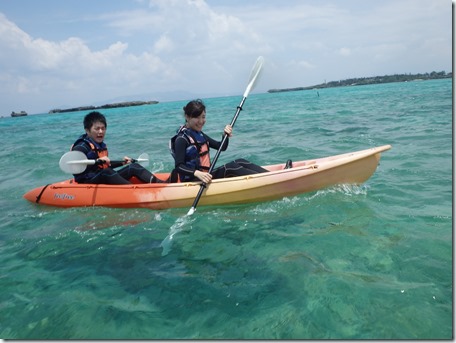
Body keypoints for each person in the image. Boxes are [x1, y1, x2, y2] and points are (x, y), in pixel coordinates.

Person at [170, 99, 269, 184]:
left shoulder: (198, 134)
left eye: (203, 117)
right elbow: (179, 166)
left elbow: (221, 147)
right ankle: (266, 181)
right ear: (187, 117)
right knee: (230, 168)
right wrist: (197, 173)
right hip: (193, 180)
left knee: (240, 161)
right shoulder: (181, 139)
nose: (201, 121)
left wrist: (225, 136)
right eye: (197, 117)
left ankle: (269, 175)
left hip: (205, 176)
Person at [71, 111, 166, 184]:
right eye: (97, 129)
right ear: (87, 130)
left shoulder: (100, 145)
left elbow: (104, 165)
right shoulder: (82, 146)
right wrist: (97, 161)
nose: (101, 132)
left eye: (103, 128)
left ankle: (161, 184)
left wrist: (122, 163)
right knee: (107, 172)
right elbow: (74, 163)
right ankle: (133, 190)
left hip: (102, 176)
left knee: (133, 167)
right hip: (88, 182)